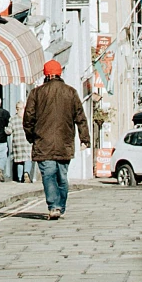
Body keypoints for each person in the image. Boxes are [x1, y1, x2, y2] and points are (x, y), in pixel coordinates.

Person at [20, 57, 90, 220]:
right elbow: (80, 117)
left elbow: (28, 118)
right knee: (62, 176)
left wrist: (31, 136)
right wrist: (84, 139)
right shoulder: (71, 92)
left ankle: (53, 206)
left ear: (45, 75)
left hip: (43, 142)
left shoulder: (36, 93)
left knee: (49, 175)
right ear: (60, 73)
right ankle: (61, 206)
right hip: (64, 143)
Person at [7, 98, 30, 183]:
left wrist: (5, 130)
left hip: (17, 142)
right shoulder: (27, 118)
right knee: (27, 158)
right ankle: (26, 173)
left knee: (19, 161)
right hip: (26, 141)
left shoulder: (13, 119)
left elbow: (9, 131)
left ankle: (20, 178)